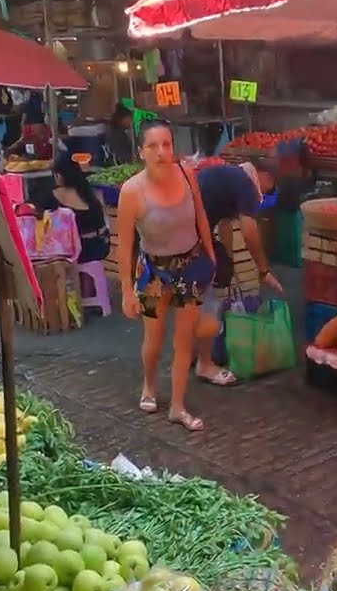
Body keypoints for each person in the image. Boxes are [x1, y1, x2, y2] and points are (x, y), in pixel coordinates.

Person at [117, 120, 215, 432]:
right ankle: (148, 385)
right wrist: (127, 291)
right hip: (153, 270)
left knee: (184, 339)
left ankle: (177, 406)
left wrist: (210, 255)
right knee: (154, 339)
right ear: (141, 151)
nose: (161, 152)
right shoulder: (131, 191)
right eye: (153, 146)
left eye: (167, 145)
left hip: (189, 265)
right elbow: (125, 244)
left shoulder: (187, 174)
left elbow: (200, 215)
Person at [192, 158, 283, 386]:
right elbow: (249, 230)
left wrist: (229, 260)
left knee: (196, 295)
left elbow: (224, 225)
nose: (265, 192)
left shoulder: (233, 176)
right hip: (188, 234)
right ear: (265, 176)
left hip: (181, 227)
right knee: (208, 295)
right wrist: (263, 270)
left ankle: (196, 352)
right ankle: (205, 363)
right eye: (269, 186)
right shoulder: (247, 186)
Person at [46, 156, 109, 264]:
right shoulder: (88, 190)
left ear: (59, 176)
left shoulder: (57, 194)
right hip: (101, 246)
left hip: (81, 251)